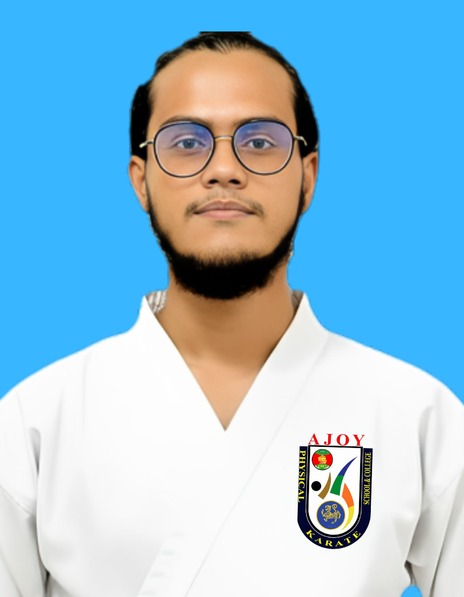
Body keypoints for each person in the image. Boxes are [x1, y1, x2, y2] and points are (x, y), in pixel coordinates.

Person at [0, 31, 462, 597]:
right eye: (186, 142)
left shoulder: (418, 416)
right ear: (141, 181)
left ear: (308, 176)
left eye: (260, 142)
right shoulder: (36, 422)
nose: (223, 169)